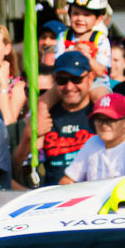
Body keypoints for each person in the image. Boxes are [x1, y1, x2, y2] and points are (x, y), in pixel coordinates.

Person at [24, 50, 94, 183]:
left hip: (95, 193)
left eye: (76, 79)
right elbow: (20, 166)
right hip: (53, 193)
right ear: (54, 80)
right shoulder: (44, 115)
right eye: (62, 80)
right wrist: (29, 136)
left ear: (90, 78)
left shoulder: (101, 114)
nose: (69, 87)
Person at [61, 94, 125, 183]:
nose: (104, 125)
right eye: (99, 119)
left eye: (111, 120)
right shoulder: (93, 141)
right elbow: (69, 179)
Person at [59, 0, 112, 79]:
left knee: (101, 88)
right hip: (67, 80)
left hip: (95, 81)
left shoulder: (101, 40)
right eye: (76, 13)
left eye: (86, 15)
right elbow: (56, 65)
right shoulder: (63, 37)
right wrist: (72, 51)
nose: (80, 18)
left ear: (98, 19)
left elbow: (101, 72)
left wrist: (86, 56)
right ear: (69, 14)